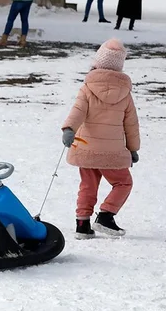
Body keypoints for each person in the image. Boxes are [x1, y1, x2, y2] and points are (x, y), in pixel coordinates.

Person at [61, 38, 140, 239]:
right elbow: (131, 123)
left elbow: (78, 110)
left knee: (87, 185)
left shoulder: (87, 88)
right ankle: (106, 215)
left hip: (86, 148)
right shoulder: (125, 92)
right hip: (111, 152)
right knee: (123, 183)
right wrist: (132, 148)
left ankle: (82, 224)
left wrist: (69, 129)